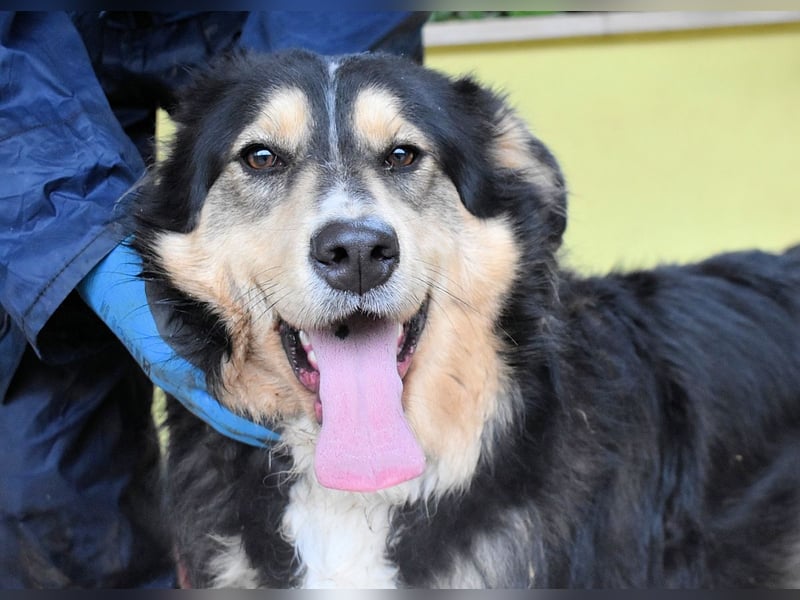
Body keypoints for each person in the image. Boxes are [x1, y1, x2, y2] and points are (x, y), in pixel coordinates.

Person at [0, 11, 429, 588]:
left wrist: (307, 99)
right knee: (49, 488)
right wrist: (81, 248)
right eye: (262, 159)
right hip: (25, 62)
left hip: (285, 15)